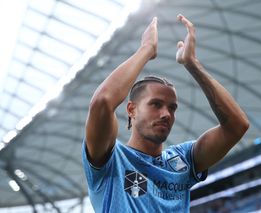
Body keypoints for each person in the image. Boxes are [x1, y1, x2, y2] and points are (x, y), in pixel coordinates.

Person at [82, 14, 249, 212]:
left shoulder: (183, 160)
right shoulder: (111, 160)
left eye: (172, 107)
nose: (166, 114)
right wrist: (147, 50)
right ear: (131, 109)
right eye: (156, 104)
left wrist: (192, 64)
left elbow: (237, 126)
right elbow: (102, 102)